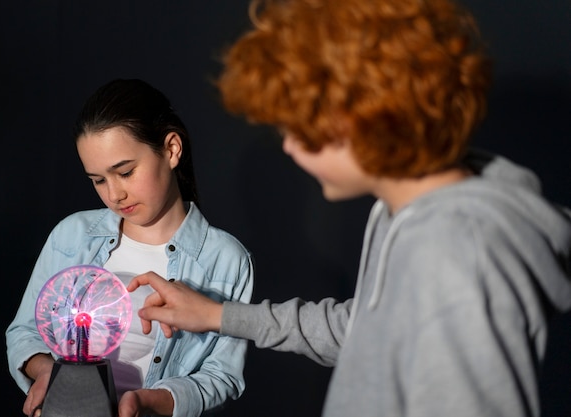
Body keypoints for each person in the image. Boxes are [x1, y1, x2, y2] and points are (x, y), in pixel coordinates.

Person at [127, 0, 571, 416]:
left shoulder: (452, 249)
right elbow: (366, 332)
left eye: (301, 128)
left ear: (369, 114)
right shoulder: (415, 211)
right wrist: (216, 315)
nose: (290, 147)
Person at [5, 78, 255, 417]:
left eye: (125, 172)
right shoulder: (71, 236)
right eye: (98, 180)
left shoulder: (225, 260)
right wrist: (50, 373)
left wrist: (145, 401)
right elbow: (25, 331)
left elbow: (221, 376)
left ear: (171, 149)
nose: (114, 194)